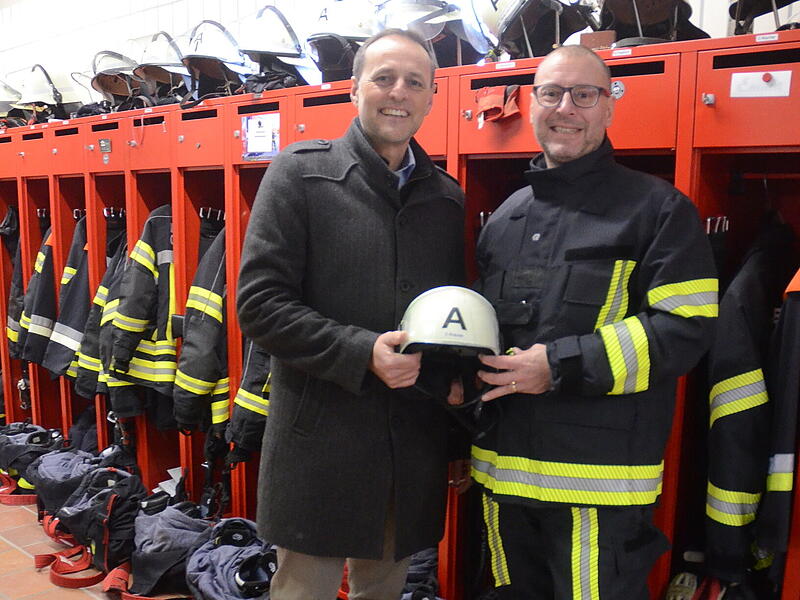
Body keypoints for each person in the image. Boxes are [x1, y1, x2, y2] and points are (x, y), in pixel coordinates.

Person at [470, 44, 718, 599]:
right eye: (552, 93)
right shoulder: (505, 219)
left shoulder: (659, 210)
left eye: (585, 95)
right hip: (502, 481)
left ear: (609, 108)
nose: (567, 108)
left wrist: (555, 367)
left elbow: (685, 329)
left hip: (599, 492)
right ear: (531, 105)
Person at [236, 28, 466, 600]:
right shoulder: (299, 174)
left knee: (384, 590)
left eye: (415, 82)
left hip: (409, 445)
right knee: (302, 591)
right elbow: (259, 304)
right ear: (354, 89)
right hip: (320, 443)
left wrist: (457, 437)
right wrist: (362, 352)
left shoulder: (446, 199)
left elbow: (452, 327)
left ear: (432, 97)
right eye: (383, 78)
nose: (398, 92)